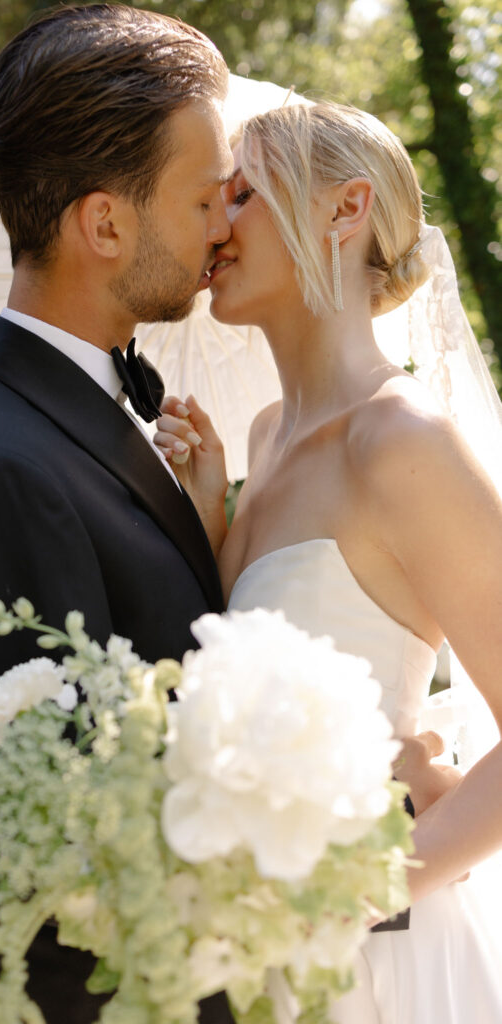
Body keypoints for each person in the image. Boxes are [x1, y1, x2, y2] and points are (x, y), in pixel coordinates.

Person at [0, 6, 236, 1021]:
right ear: (103, 224)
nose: (225, 222)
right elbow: (47, 877)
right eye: (205, 197)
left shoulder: (75, 417)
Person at [154, 100, 502, 1023]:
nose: (213, 224)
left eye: (241, 193)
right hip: (257, 955)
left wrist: (363, 890)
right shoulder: (263, 438)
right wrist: (207, 513)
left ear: (343, 212)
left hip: (377, 963)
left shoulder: (400, 440)